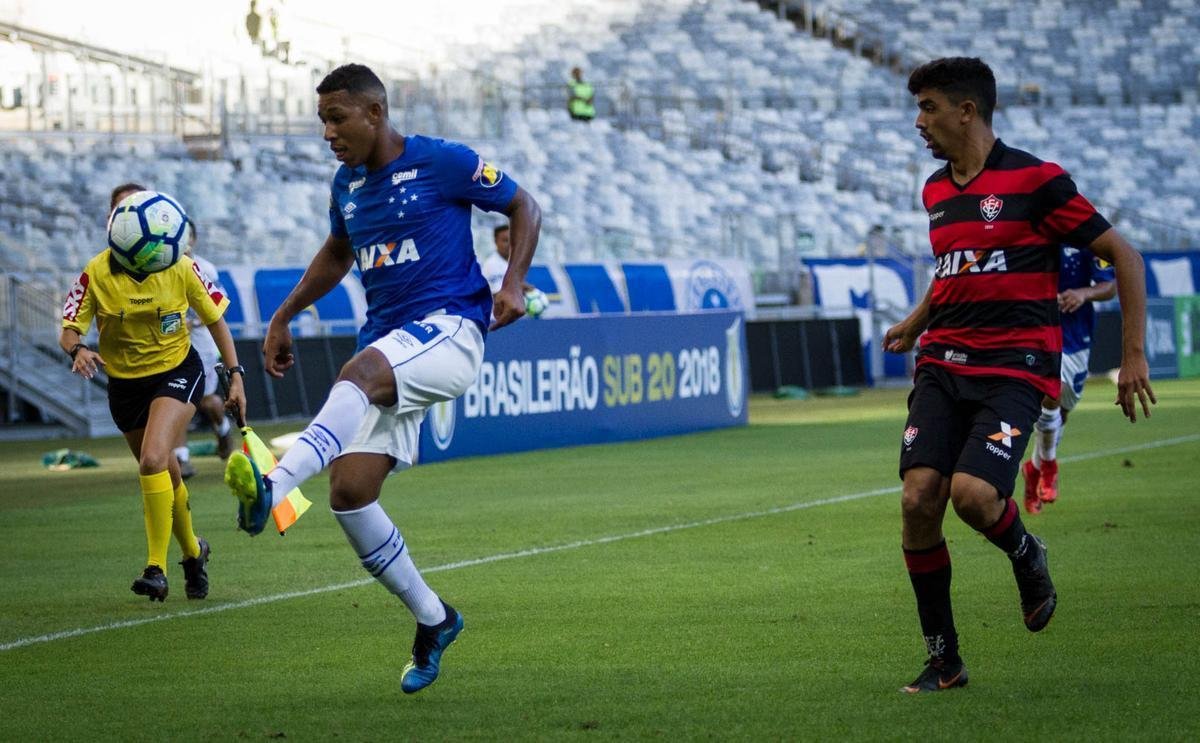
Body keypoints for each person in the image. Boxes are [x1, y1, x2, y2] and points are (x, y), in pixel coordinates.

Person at [223, 63, 540, 694]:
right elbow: (338, 252)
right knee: (350, 492)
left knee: (359, 372)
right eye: (322, 121)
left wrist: (511, 283)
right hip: (392, 347)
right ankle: (435, 618)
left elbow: (523, 204)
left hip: (451, 329)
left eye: (337, 119)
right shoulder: (346, 185)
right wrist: (284, 314)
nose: (328, 134)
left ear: (375, 112)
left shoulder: (442, 162)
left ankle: (274, 487)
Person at [883, 57, 1155, 694]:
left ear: (967, 111)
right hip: (944, 362)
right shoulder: (934, 189)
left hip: (1015, 366)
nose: (919, 122)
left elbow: (1126, 256)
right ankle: (944, 660)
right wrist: (919, 320)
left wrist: (1134, 355)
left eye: (928, 107)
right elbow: (958, 265)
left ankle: (1027, 554)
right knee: (919, 498)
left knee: (973, 497)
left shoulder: (1038, 180)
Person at [61, 183, 247, 601]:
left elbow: (216, 318)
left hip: (177, 371)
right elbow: (69, 327)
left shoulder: (182, 266)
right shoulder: (97, 272)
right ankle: (194, 552)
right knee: (168, 473)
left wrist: (235, 373)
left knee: (151, 460)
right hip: (125, 385)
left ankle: (155, 567)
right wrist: (78, 349)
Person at [1021, 246, 1116, 513]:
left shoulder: (1089, 236)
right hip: (1038, 328)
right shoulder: (1032, 229)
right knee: (1052, 391)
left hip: (1076, 335)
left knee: (1062, 409)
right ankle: (1049, 464)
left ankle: (1034, 468)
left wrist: (1083, 293)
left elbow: (1109, 286)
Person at [173, 220, 237, 480]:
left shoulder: (205, 268)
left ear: (194, 240)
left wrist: (193, 321)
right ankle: (181, 459)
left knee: (206, 401)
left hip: (203, 347)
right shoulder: (161, 268)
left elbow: (219, 305)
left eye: (188, 236)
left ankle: (222, 429)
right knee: (176, 401)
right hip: (173, 347)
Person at [481, 223, 534, 294]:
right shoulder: (491, 265)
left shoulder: (513, 262)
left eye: (512, 240)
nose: (509, 244)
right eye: (505, 240)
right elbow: (495, 295)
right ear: (496, 241)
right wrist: (519, 288)